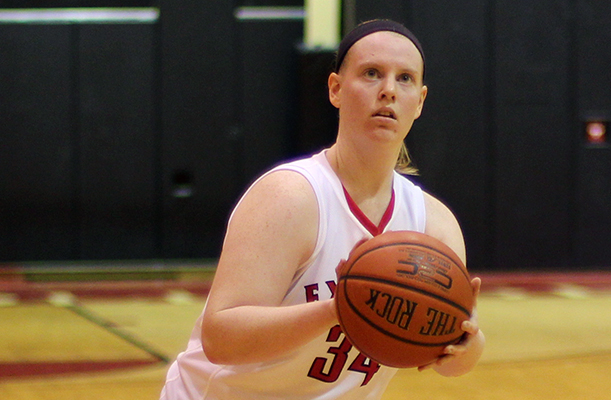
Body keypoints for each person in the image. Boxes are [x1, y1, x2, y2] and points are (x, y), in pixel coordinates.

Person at [160, 19, 485, 400]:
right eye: (371, 73)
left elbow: (451, 364)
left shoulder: (436, 226)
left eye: (405, 79)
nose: (388, 91)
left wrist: (464, 339)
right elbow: (221, 339)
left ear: (421, 102)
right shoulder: (290, 196)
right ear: (335, 89)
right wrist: (340, 308)